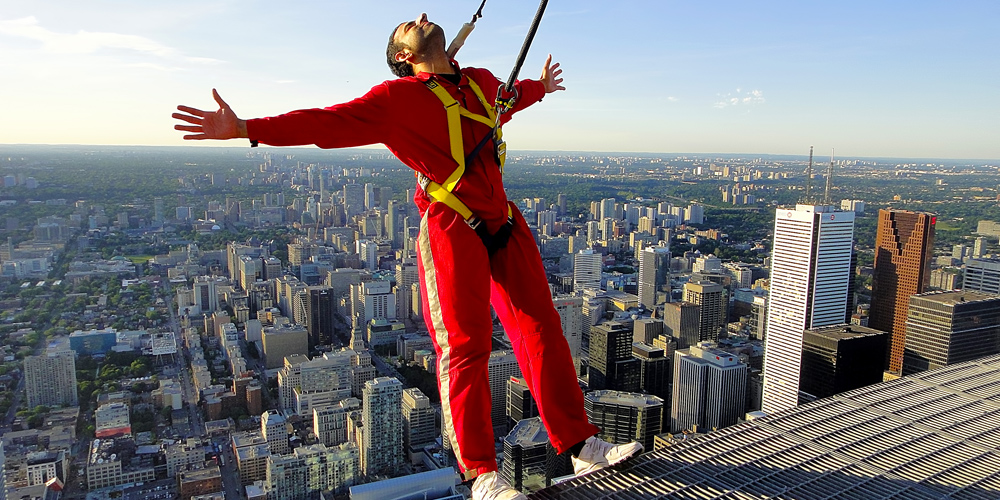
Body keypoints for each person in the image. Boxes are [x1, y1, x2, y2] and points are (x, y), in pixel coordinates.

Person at [173, 13, 641, 500]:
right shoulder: (396, 100)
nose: (420, 16)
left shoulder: (479, 82)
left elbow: (509, 100)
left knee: (542, 328)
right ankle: (482, 474)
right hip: (453, 226)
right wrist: (247, 127)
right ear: (403, 56)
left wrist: (539, 87)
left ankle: (581, 443)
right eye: (406, 24)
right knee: (465, 346)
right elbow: (326, 122)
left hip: (504, 220)